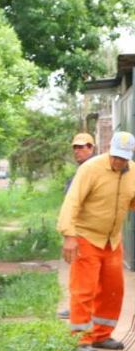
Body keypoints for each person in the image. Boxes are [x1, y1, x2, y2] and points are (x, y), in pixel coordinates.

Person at [57, 131, 135, 351]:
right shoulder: (90, 169)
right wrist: (69, 235)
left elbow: (130, 201)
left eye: (123, 158)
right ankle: (81, 339)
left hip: (112, 240)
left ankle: (101, 335)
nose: (118, 161)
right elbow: (72, 202)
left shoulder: (132, 172)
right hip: (86, 237)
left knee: (113, 290)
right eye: (115, 156)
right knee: (84, 290)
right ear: (109, 149)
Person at [57, 132, 97, 319]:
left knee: (84, 275)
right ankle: (79, 308)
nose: (77, 151)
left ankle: (81, 310)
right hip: (79, 230)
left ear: (91, 148)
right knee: (80, 273)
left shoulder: (93, 170)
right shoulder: (82, 170)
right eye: (75, 147)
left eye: (82, 147)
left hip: (89, 231)